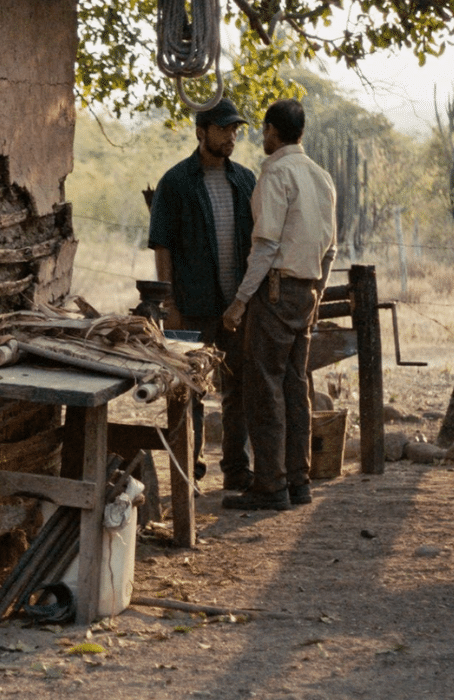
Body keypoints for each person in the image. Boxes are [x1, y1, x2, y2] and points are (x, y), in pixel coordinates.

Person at [222, 99, 337, 511]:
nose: (262, 136)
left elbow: (266, 245)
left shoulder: (275, 173)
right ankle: (298, 481)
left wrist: (240, 301)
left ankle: (271, 485)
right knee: (295, 386)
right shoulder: (321, 176)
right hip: (306, 291)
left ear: (271, 130)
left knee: (264, 386)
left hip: (275, 291)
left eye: (264, 130)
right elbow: (330, 249)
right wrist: (317, 294)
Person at [148, 98, 256, 492]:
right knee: (188, 391)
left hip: (235, 308)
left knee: (237, 390)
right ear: (201, 132)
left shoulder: (245, 180)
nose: (231, 136)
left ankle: (236, 469)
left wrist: (246, 303)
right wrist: (170, 306)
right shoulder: (175, 182)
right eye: (223, 129)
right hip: (190, 309)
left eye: (234, 129)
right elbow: (162, 246)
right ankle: (187, 474)